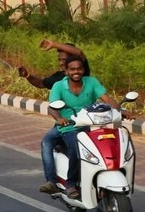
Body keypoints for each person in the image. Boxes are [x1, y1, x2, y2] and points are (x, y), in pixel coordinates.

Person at [39, 55, 123, 199]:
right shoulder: (59, 86)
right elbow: (53, 107)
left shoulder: (91, 82)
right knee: (73, 146)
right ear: (66, 71)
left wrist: (121, 110)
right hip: (69, 126)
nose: (76, 71)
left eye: (79, 68)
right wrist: (59, 118)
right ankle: (65, 183)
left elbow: (107, 99)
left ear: (83, 69)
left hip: (92, 124)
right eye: (72, 69)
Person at [18, 39, 89, 90]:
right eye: (59, 60)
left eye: (64, 59)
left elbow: (79, 53)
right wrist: (27, 76)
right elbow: (41, 84)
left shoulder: (81, 72)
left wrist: (54, 45)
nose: (61, 63)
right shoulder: (58, 77)